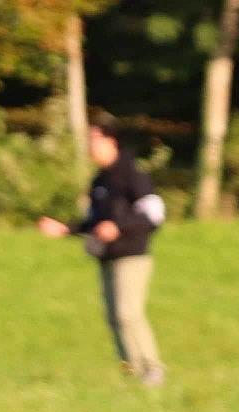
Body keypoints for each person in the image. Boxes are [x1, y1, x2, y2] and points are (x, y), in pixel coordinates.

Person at [38, 119, 167, 387]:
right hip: (106, 256)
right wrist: (65, 229)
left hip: (132, 255)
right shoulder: (99, 181)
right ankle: (131, 372)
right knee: (113, 318)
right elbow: (93, 223)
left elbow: (155, 216)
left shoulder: (134, 176)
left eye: (94, 138)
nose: (90, 145)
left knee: (128, 313)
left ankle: (153, 369)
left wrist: (118, 227)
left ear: (112, 141)